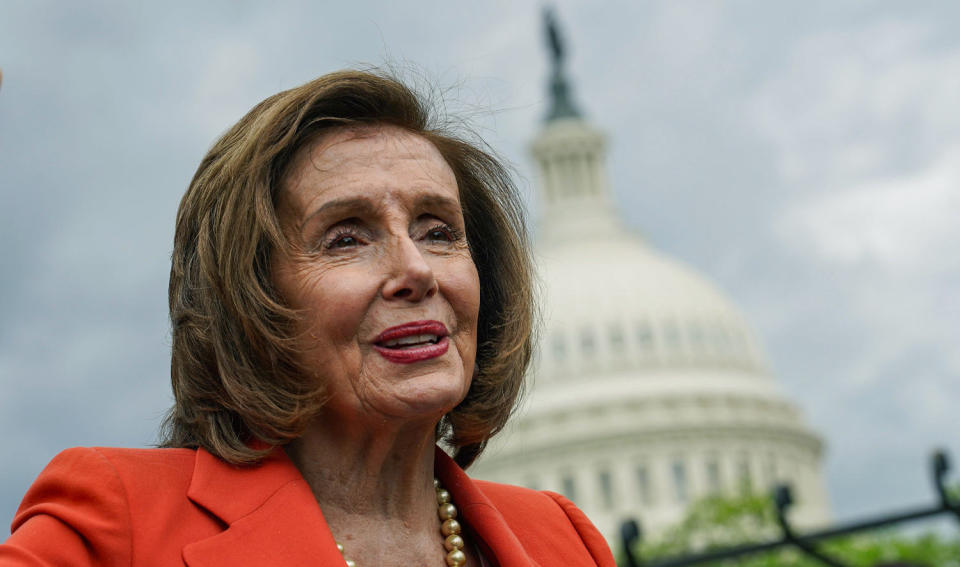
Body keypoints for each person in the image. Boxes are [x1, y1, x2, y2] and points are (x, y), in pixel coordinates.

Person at [1, 70, 616, 566]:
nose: (416, 270)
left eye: (438, 232)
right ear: (250, 299)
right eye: (346, 238)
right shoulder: (116, 523)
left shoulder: (563, 540)